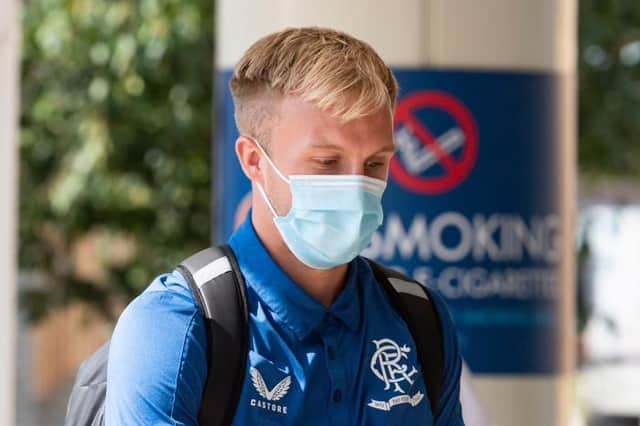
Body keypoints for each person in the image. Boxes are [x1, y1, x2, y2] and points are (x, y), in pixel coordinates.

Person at [105, 26, 464, 425]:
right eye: (328, 162)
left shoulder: (419, 319)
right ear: (253, 161)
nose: (356, 185)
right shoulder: (177, 326)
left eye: (375, 164)